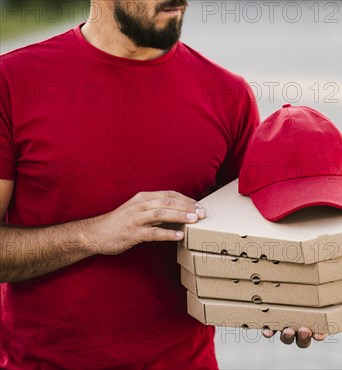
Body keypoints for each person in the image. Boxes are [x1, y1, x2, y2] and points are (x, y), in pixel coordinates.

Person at [0, 1, 325, 368]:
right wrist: (94, 235)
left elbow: (247, 242)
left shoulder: (227, 95)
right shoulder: (13, 82)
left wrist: (293, 300)